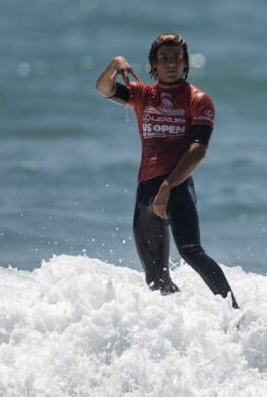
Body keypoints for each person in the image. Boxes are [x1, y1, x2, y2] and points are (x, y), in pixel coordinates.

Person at [95, 33, 239, 309]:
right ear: (154, 63)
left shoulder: (198, 99)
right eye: (165, 58)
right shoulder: (142, 95)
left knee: (191, 251)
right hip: (146, 189)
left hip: (178, 186)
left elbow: (198, 150)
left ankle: (235, 314)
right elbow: (103, 88)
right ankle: (174, 327)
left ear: (185, 63)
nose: (171, 63)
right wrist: (115, 64)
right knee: (155, 279)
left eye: (177, 58)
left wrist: (168, 186)